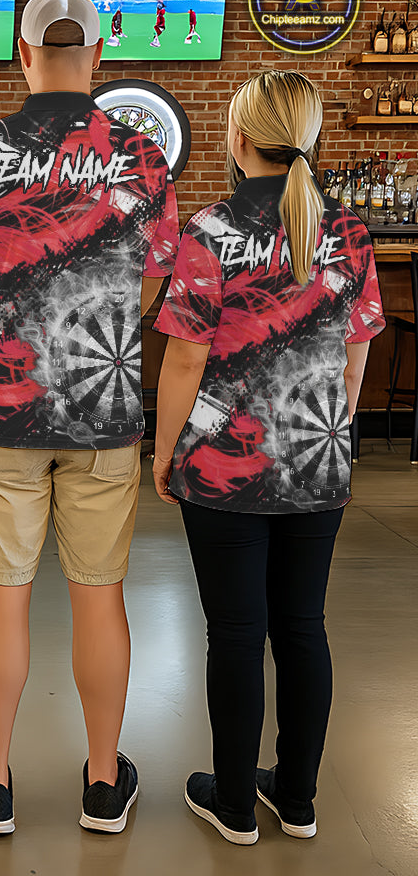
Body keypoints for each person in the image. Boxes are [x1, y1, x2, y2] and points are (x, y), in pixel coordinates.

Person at [0, 0, 179, 836]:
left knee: (1, 595)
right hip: (103, 407)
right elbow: (153, 281)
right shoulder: (143, 155)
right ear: (100, 54)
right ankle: (104, 783)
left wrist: (7, 324)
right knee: (99, 593)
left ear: (23, 54)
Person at [152, 70, 385, 845]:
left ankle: (232, 805)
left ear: (240, 136)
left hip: (223, 466)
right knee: (303, 627)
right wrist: (331, 431)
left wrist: (165, 451)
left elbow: (186, 359)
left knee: (236, 633)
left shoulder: (211, 230)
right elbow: (354, 356)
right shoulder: (349, 231)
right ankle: (299, 798)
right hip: (319, 462)